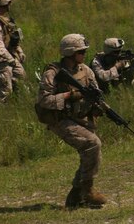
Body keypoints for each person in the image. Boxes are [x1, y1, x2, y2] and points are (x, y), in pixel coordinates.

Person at [35, 34, 108, 210]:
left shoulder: (86, 70)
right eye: (81, 51)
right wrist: (69, 95)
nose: (84, 55)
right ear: (71, 53)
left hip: (81, 117)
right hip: (61, 119)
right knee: (92, 144)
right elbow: (44, 100)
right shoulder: (53, 73)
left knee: (91, 153)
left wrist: (100, 107)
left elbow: (95, 93)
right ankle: (87, 192)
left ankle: (76, 196)